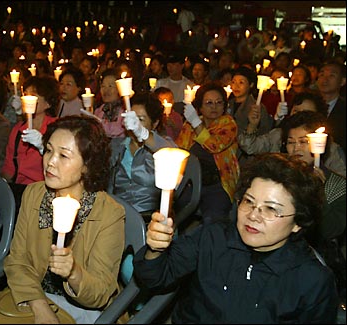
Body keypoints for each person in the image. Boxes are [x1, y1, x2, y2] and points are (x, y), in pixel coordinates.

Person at [133, 152, 339, 323]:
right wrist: (156, 249)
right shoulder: (214, 237)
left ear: (298, 223)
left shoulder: (311, 280)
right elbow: (155, 278)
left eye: (270, 209)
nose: (253, 215)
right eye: (248, 202)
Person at [0, 115, 125, 323]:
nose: (50, 162)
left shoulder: (108, 213)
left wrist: (73, 272)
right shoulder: (34, 194)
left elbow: (101, 292)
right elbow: (17, 259)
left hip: (82, 307)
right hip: (33, 294)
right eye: (48, 150)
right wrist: (40, 305)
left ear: (87, 165)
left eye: (63, 155)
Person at [281, 112, 346, 296]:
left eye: (303, 141)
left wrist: (318, 193)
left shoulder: (337, 185)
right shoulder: (279, 177)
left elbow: (331, 230)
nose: (296, 149)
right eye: (291, 142)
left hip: (316, 261)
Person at [238, 92, 345, 177]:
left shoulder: (329, 148)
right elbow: (249, 146)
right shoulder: (278, 136)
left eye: (303, 141)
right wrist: (252, 125)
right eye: (296, 111)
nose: (296, 147)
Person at [108, 92, 177, 223]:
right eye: (132, 119)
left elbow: (171, 154)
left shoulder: (162, 146)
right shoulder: (117, 146)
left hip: (150, 218)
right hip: (117, 217)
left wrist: (143, 133)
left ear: (155, 123)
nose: (134, 124)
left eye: (140, 119)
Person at [176, 82, 239, 224]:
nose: (214, 107)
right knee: (176, 213)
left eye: (218, 102)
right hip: (190, 182)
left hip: (218, 183)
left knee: (214, 221)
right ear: (200, 106)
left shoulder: (228, 123)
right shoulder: (189, 125)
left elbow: (214, 145)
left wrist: (196, 122)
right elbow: (180, 150)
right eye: (209, 103)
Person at [0, 75, 59, 213]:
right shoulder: (18, 130)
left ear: (48, 103)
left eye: (33, 96)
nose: (27, 99)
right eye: (25, 95)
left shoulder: (56, 128)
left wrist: (43, 147)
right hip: (20, 192)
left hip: (46, 192)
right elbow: (9, 169)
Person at [92, 68, 126, 138]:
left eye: (110, 86)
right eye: (103, 86)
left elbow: (119, 130)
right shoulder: (99, 110)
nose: (106, 90)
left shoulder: (125, 110)